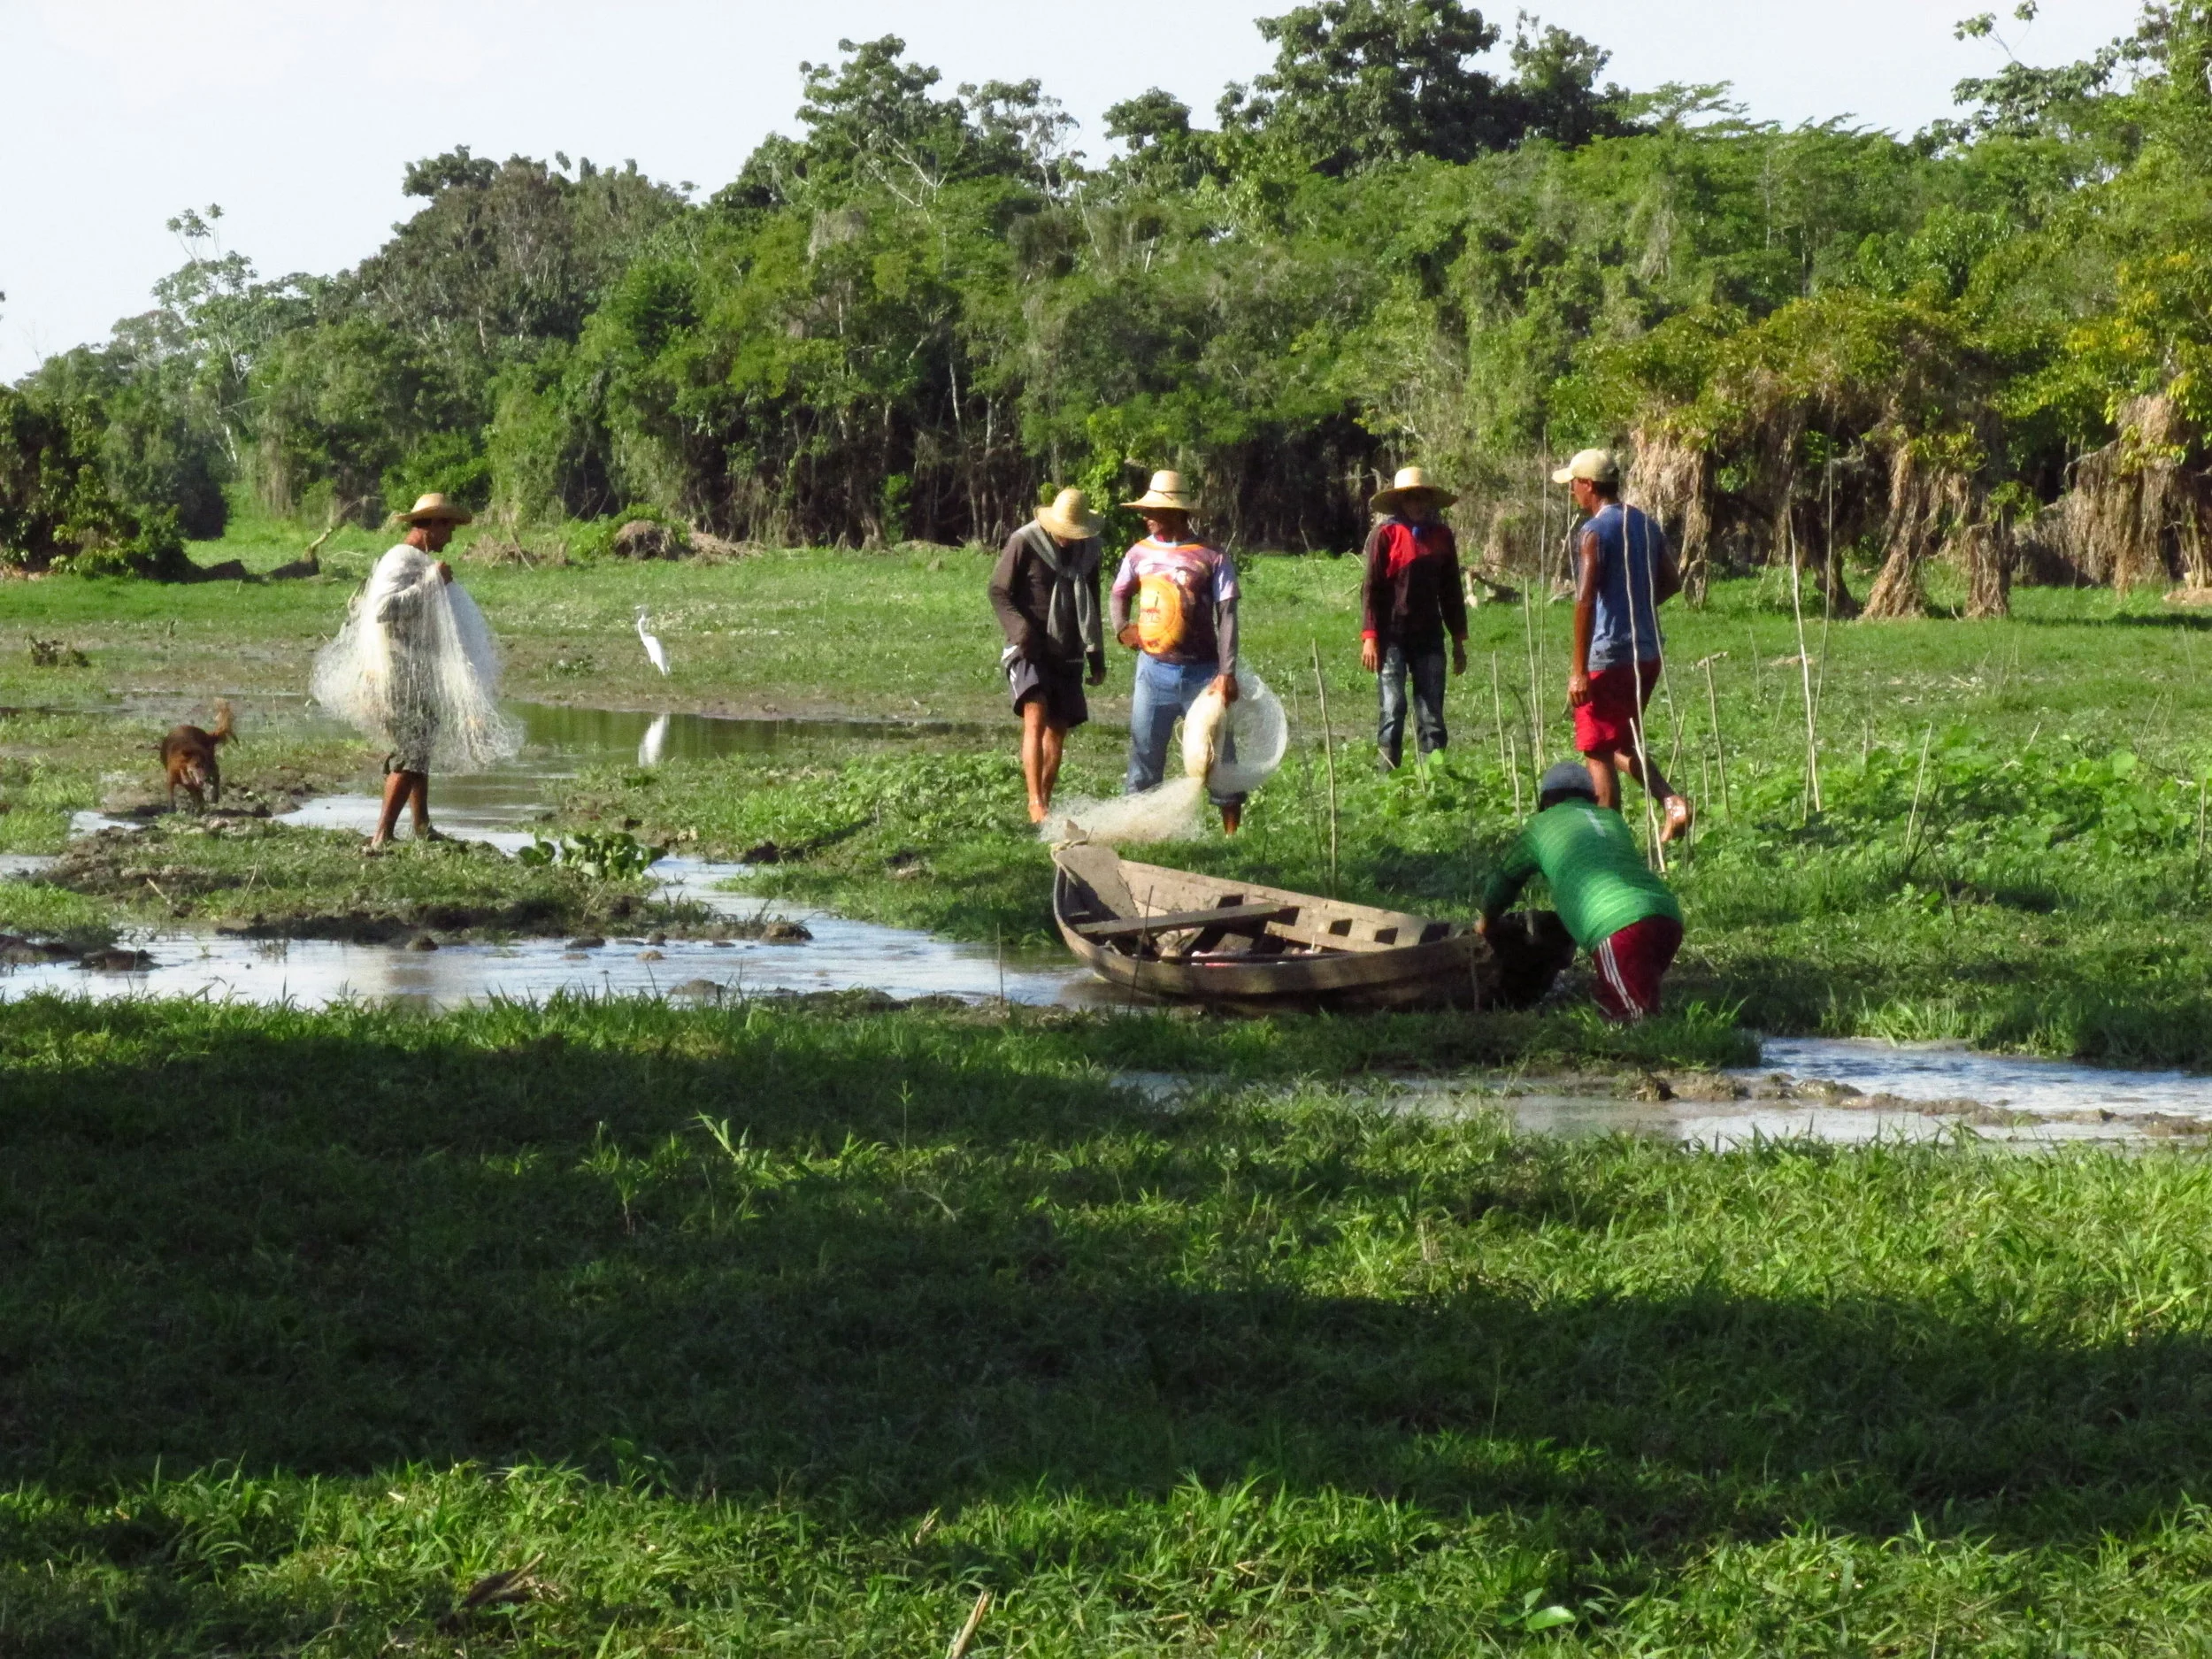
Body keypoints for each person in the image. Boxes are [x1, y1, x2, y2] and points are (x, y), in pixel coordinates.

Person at [311, 492, 518, 851]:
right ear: (432, 525)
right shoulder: (401, 559)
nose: (450, 536)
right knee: (410, 750)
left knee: (421, 745)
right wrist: (432, 582)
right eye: (448, 527)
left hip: (414, 673)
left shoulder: (414, 560)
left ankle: (422, 826)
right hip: (399, 675)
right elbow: (383, 610)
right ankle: (382, 836)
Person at [1554, 448, 1693, 841]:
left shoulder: (1594, 531)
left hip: (1608, 657)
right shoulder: (1644, 523)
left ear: (1588, 485)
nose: (1572, 492)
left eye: (1574, 484)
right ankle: (1672, 802)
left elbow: (1584, 600)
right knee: (1622, 741)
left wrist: (1579, 670)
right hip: (1646, 653)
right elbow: (1672, 582)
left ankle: (1610, 843)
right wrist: (1637, 609)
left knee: (1597, 750)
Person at [1479, 760, 1684, 1021]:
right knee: (1629, 998)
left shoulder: (1539, 826)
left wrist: (1486, 921)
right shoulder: (1611, 819)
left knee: (1633, 1021)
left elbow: (1505, 881)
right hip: (1666, 917)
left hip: (1618, 927)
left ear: (1545, 801)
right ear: (1593, 798)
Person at [1110, 470, 1244, 833]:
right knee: (1145, 752)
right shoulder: (1139, 552)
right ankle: (1137, 830)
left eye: (1153, 510)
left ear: (1176, 513)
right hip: (1153, 672)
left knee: (1218, 754)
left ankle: (1232, 835)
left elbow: (1227, 615)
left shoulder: (1212, 556)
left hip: (1204, 675)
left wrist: (1226, 673)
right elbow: (1119, 592)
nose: (1146, 516)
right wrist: (1122, 628)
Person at [989, 487, 1108, 823]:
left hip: (1069, 647)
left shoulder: (1090, 550)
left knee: (1057, 728)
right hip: (1029, 646)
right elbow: (997, 590)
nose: (1069, 538)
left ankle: (1045, 802)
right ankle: (1035, 802)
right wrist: (1020, 631)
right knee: (1036, 714)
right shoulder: (1025, 541)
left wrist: (1096, 655)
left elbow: (1092, 600)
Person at [1361, 465, 1470, 768]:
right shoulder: (1385, 535)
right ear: (1401, 501)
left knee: (1431, 711)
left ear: (1430, 500)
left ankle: (1433, 777)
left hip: (1429, 635)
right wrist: (1370, 637)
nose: (1417, 504)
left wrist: (1458, 640)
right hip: (1392, 634)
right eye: (1410, 498)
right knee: (1393, 708)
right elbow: (1371, 588)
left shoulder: (1442, 536)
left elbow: (1451, 590)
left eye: (1422, 497)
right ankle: (1387, 775)